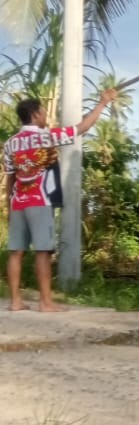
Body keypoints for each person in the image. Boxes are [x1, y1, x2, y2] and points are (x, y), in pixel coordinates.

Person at [3, 89, 118, 312]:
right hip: (40, 201)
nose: (45, 116)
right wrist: (102, 103)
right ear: (35, 114)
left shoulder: (10, 144)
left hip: (18, 202)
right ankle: (46, 302)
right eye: (43, 112)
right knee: (43, 252)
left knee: (15, 252)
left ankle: (15, 301)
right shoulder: (46, 137)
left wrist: (9, 206)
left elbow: (10, 178)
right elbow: (82, 128)